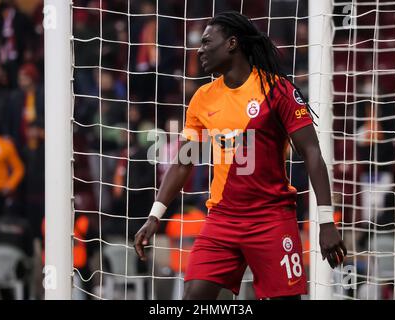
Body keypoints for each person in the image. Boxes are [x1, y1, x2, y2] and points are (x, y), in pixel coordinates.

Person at [134, 11, 347, 300]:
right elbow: (184, 160)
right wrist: (154, 215)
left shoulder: (277, 90)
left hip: (271, 219)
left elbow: (311, 151)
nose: (200, 49)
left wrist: (325, 221)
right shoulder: (203, 97)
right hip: (222, 219)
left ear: (232, 43)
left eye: (208, 42)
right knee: (193, 296)